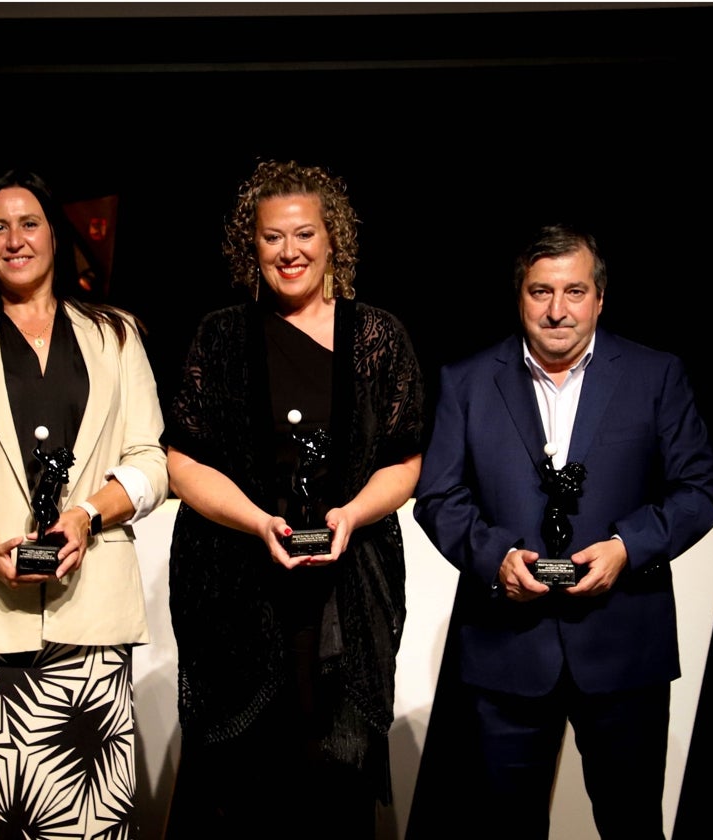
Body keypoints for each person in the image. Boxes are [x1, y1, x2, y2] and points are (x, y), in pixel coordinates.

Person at [412, 223, 713, 839]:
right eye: (540, 292)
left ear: (600, 298)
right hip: (506, 651)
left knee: (632, 826)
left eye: (574, 291)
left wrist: (626, 548)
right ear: (520, 297)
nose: (557, 311)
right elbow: (439, 496)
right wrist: (496, 557)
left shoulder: (655, 375)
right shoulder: (468, 381)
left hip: (624, 648)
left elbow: (698, 491)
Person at [0, 168, 168, 838]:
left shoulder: (119, 334)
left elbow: (150, 461)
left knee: (85, 821)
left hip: (89, 616)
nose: (15, 239)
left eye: (30, 222)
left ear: (56, 233)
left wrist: (84, 516)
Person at [163, 159, 426, 838]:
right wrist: (255, 522)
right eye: (273, 238)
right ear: (249, 246)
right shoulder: (220, 337)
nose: (290, 252)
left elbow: (406, 461)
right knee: (240, 797)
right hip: (238, 597)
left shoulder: (377, 337)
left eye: (304, 234)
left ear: (332, 237)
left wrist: (351, 514)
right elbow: (181, 461)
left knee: (334, 788)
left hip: (345, 599)